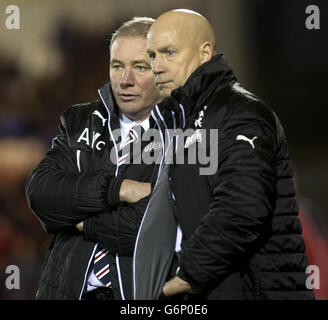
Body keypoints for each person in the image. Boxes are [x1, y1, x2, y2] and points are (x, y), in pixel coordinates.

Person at [133, 9, 315, 300]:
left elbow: (242, 207)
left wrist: (183, 277)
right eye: (153, 55)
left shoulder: (240, 112)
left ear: (205, 52)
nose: (157, 66)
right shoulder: (182, 123)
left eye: (169, 52)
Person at [25, 17, 162, 300]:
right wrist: (119, 190)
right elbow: (41, 193)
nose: (125, 80)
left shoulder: (189, 134)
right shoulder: (79, 120)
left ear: (162, 70)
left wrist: (79, 220)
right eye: (117, 66)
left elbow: (154, 227)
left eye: (139, 67)